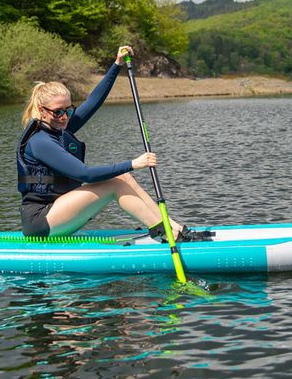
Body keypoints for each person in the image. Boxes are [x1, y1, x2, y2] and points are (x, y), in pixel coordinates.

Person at [17, 45, 190, 240]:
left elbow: (94, 102)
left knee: (123, 177)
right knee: (116, 182)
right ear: (42, 111)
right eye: (58, 112)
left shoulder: (60, 128)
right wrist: (134, 163)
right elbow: (86, 174)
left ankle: (172, 226)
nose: (64, 117)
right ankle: (165, 233)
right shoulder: (40, 141)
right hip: (41, 221)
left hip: (60, 213)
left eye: (69, 110)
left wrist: (116, 65)